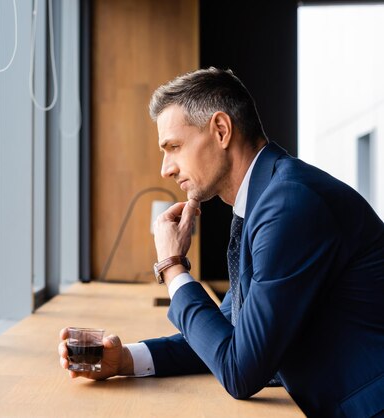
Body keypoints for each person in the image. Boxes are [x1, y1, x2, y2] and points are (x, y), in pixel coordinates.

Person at [58, 67, 384, 417]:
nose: (165, 168)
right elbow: (229, 335)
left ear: (221, 130)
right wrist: (125, 359)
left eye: (174, 147)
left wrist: (172, 266)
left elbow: (239, 371)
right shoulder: (266, 199)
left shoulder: (288, 205)